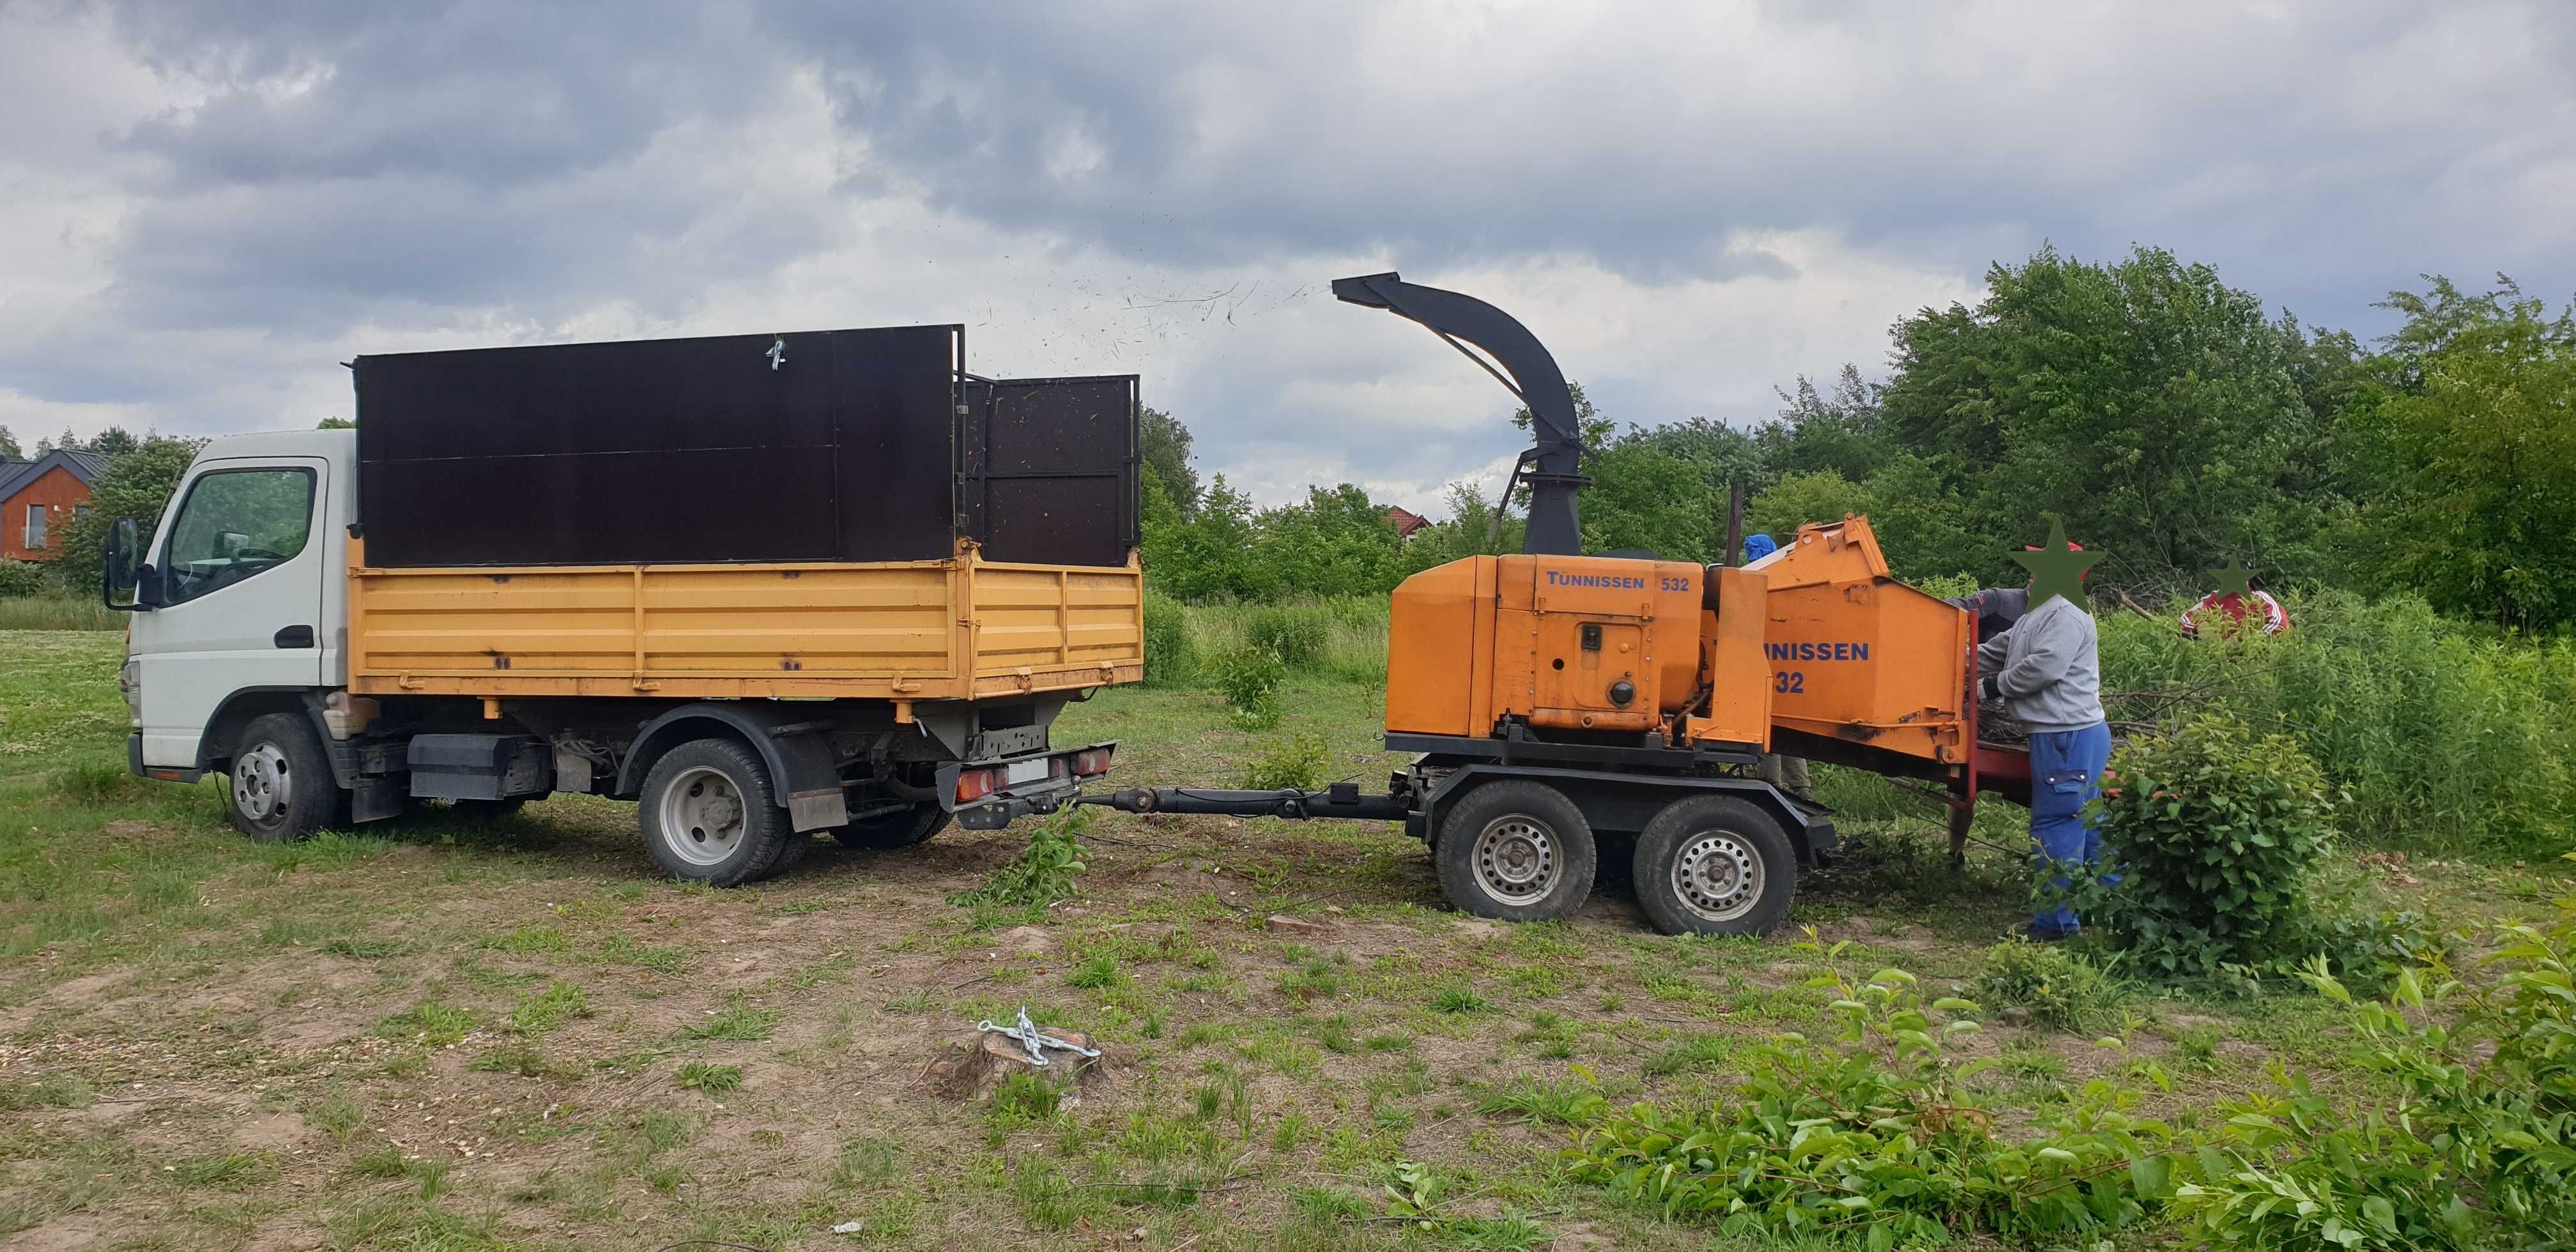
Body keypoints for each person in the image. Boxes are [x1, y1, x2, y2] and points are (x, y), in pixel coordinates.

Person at [1979, 542, 2110, 939]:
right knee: (2090, 823)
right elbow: (1995, 651)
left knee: (2058, 824)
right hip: (2067, 734)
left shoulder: (2067, 616)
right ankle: (2112, 911)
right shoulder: (2037, 615)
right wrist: (1946, 658)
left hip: (2066, 735)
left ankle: (2056, 926)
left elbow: (2044, 668)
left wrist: (1989, 688)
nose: (2032, 574)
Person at [1740, 533, 1810, 800]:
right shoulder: (1787, 575)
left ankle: (1774, 789)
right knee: (1789, 731)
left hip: (1762, 670)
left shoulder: (1752, 578)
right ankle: (1801, 792)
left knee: (1768, 731)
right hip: (1789, 670)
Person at [2179, 577, 2289, 639]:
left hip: (2251, 659)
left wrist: (2248, 639)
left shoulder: (2260, 598)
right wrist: (2202, 627)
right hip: (2216, 658)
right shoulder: (2215, 597)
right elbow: (2186, 618)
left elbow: (2280, 623)